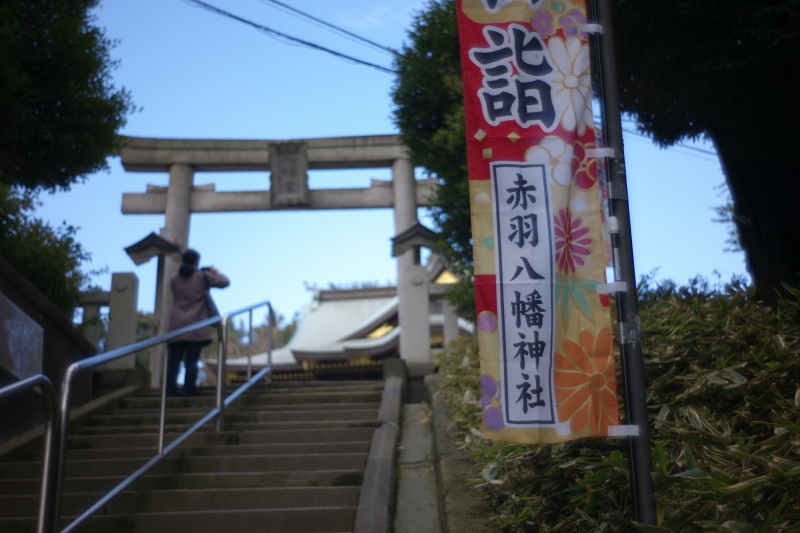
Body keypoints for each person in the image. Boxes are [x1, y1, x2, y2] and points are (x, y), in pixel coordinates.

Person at [166, 248, 230, 396]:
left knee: (174, 361)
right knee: (192, 361)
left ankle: (170, 392)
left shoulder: (174, 278)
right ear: (196, 262)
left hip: (176, 325)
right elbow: (225, 282)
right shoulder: (202, 276)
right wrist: (214, 271)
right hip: (196, 325)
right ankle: (189, 391)